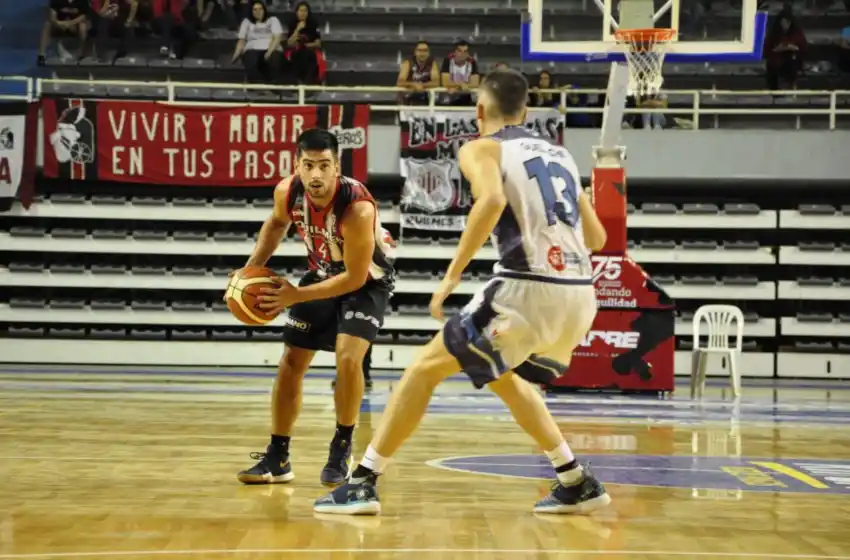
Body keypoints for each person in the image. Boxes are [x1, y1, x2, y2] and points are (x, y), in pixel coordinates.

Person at [314, 69, 611, 516]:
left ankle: (362, 482)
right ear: (526, 111)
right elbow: (598, 238)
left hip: (526, 290)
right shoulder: (562, 155)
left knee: (421, 371)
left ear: (479, 110)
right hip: (581, 297)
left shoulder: (482, 147)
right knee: (503, 376)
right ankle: (574, 479)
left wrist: (452, 276)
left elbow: (491, 201)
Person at [233, 129, 395, 487]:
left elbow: (354, 278)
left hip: (366, 283)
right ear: (297, 166)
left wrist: (295, 296)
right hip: (322, 274)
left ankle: (341, 448)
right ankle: (278, 457)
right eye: (309, 165)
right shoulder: (287, 191)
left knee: (348, 358)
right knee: (291, 361)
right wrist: (251, 269)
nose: (316, 174)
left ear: (337, 167)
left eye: (324, 165)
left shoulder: (357, 207)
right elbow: (277, 223)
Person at [231, 1, 286, 84]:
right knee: (251, 62)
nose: (258, 12)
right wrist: (236, 54)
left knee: (275, 60)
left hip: (271, 48)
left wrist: (269, 52)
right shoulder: (246, 22)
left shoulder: (273, 20)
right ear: (251, 11)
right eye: (255, 10)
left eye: (260, 9)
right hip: (252, 48)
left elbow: (277, 37)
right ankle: (261, 85)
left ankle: (272, 84)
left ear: (264, 10)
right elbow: (241, 40)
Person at [285, 1, 322, 85]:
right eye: (301, 10)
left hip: (309, 50)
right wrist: (297, 29)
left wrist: (305, 45)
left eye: (305, 11)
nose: (303, 13)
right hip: (296, 51)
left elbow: (318, 43)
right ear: (296, 12)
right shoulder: (292, 23)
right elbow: (289, 43)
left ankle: (307, 83)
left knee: (308, 57)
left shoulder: (313, 24)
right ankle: (298, 82)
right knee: (296, 57)